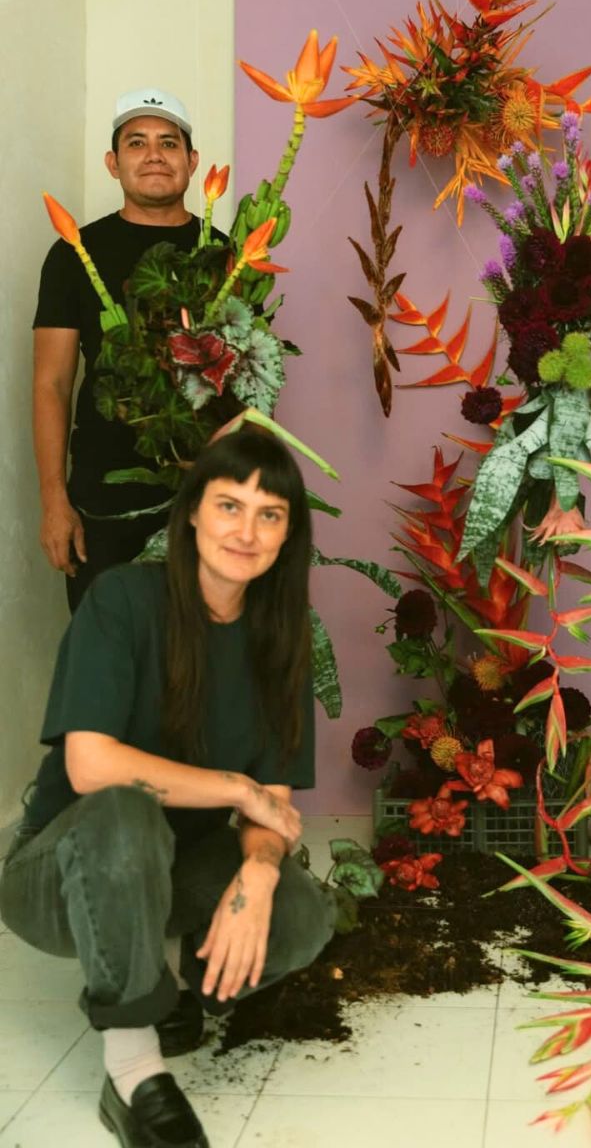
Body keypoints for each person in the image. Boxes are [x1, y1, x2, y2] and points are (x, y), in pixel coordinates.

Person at [0, 428, 334, 1148]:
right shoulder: (122, 600)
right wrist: (236, 789)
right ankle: (134, 1073)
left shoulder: (282, 636)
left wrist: (259, 868)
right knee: (124, 809)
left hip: (172, 872)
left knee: (302, 915)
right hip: (58, 873)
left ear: (288, 534)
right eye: (228, 505)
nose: (246, 531)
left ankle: (169, 973)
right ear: (191, 513)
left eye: (269, 514)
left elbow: (273, 804)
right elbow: (90, 767)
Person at [33, 87, 211, 611]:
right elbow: (52, 383)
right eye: (136, 142)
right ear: (114, 163)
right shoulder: (72, 256)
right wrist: (54, 501)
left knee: (198, 662)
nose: (154, 154)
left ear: (192, 161)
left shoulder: (228, 253)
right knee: (109, 659)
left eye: (169, 142)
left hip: (203, 492)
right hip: (102, 496)